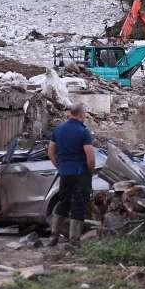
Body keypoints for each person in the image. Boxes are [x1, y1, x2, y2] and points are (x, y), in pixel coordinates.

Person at [47, 102, 96, 245]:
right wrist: (90, 172)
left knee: (63, 203)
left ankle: (53, 236)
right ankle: (74, 240)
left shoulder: (59, 129)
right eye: (85, 114)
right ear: (81, 114)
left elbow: (50, 152)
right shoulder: (83, 131)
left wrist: (60, 166)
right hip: (80, 174)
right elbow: (91, 157)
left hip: (64, 174)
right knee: (78, 206)